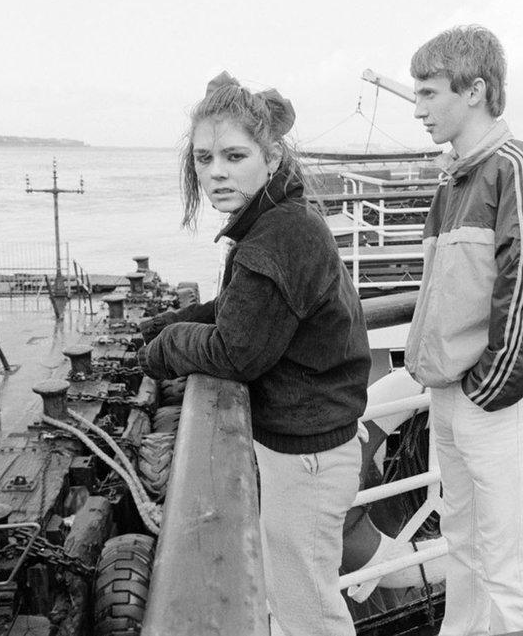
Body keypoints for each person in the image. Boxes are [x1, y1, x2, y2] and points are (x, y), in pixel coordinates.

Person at [138, 72, 371, 636]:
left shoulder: (275, 239)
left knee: (307, 609)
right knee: (297, 596)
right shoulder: (278, 223)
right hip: (311, 443)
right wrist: (172, 319)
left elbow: (238, 351)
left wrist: (166, 346)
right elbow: (240, 307)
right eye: (203, 158)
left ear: (269, 158)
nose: (215, 171)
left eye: (233, 155)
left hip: (306, 456)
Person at [404, 26, 523, 634]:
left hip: (491, 398)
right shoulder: (455, 178)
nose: (418, 108)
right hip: (452, 393)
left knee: (502, 555)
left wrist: (486, 388)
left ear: (475, 89)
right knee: (461, 538)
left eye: (429, 93)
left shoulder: (515, 173)